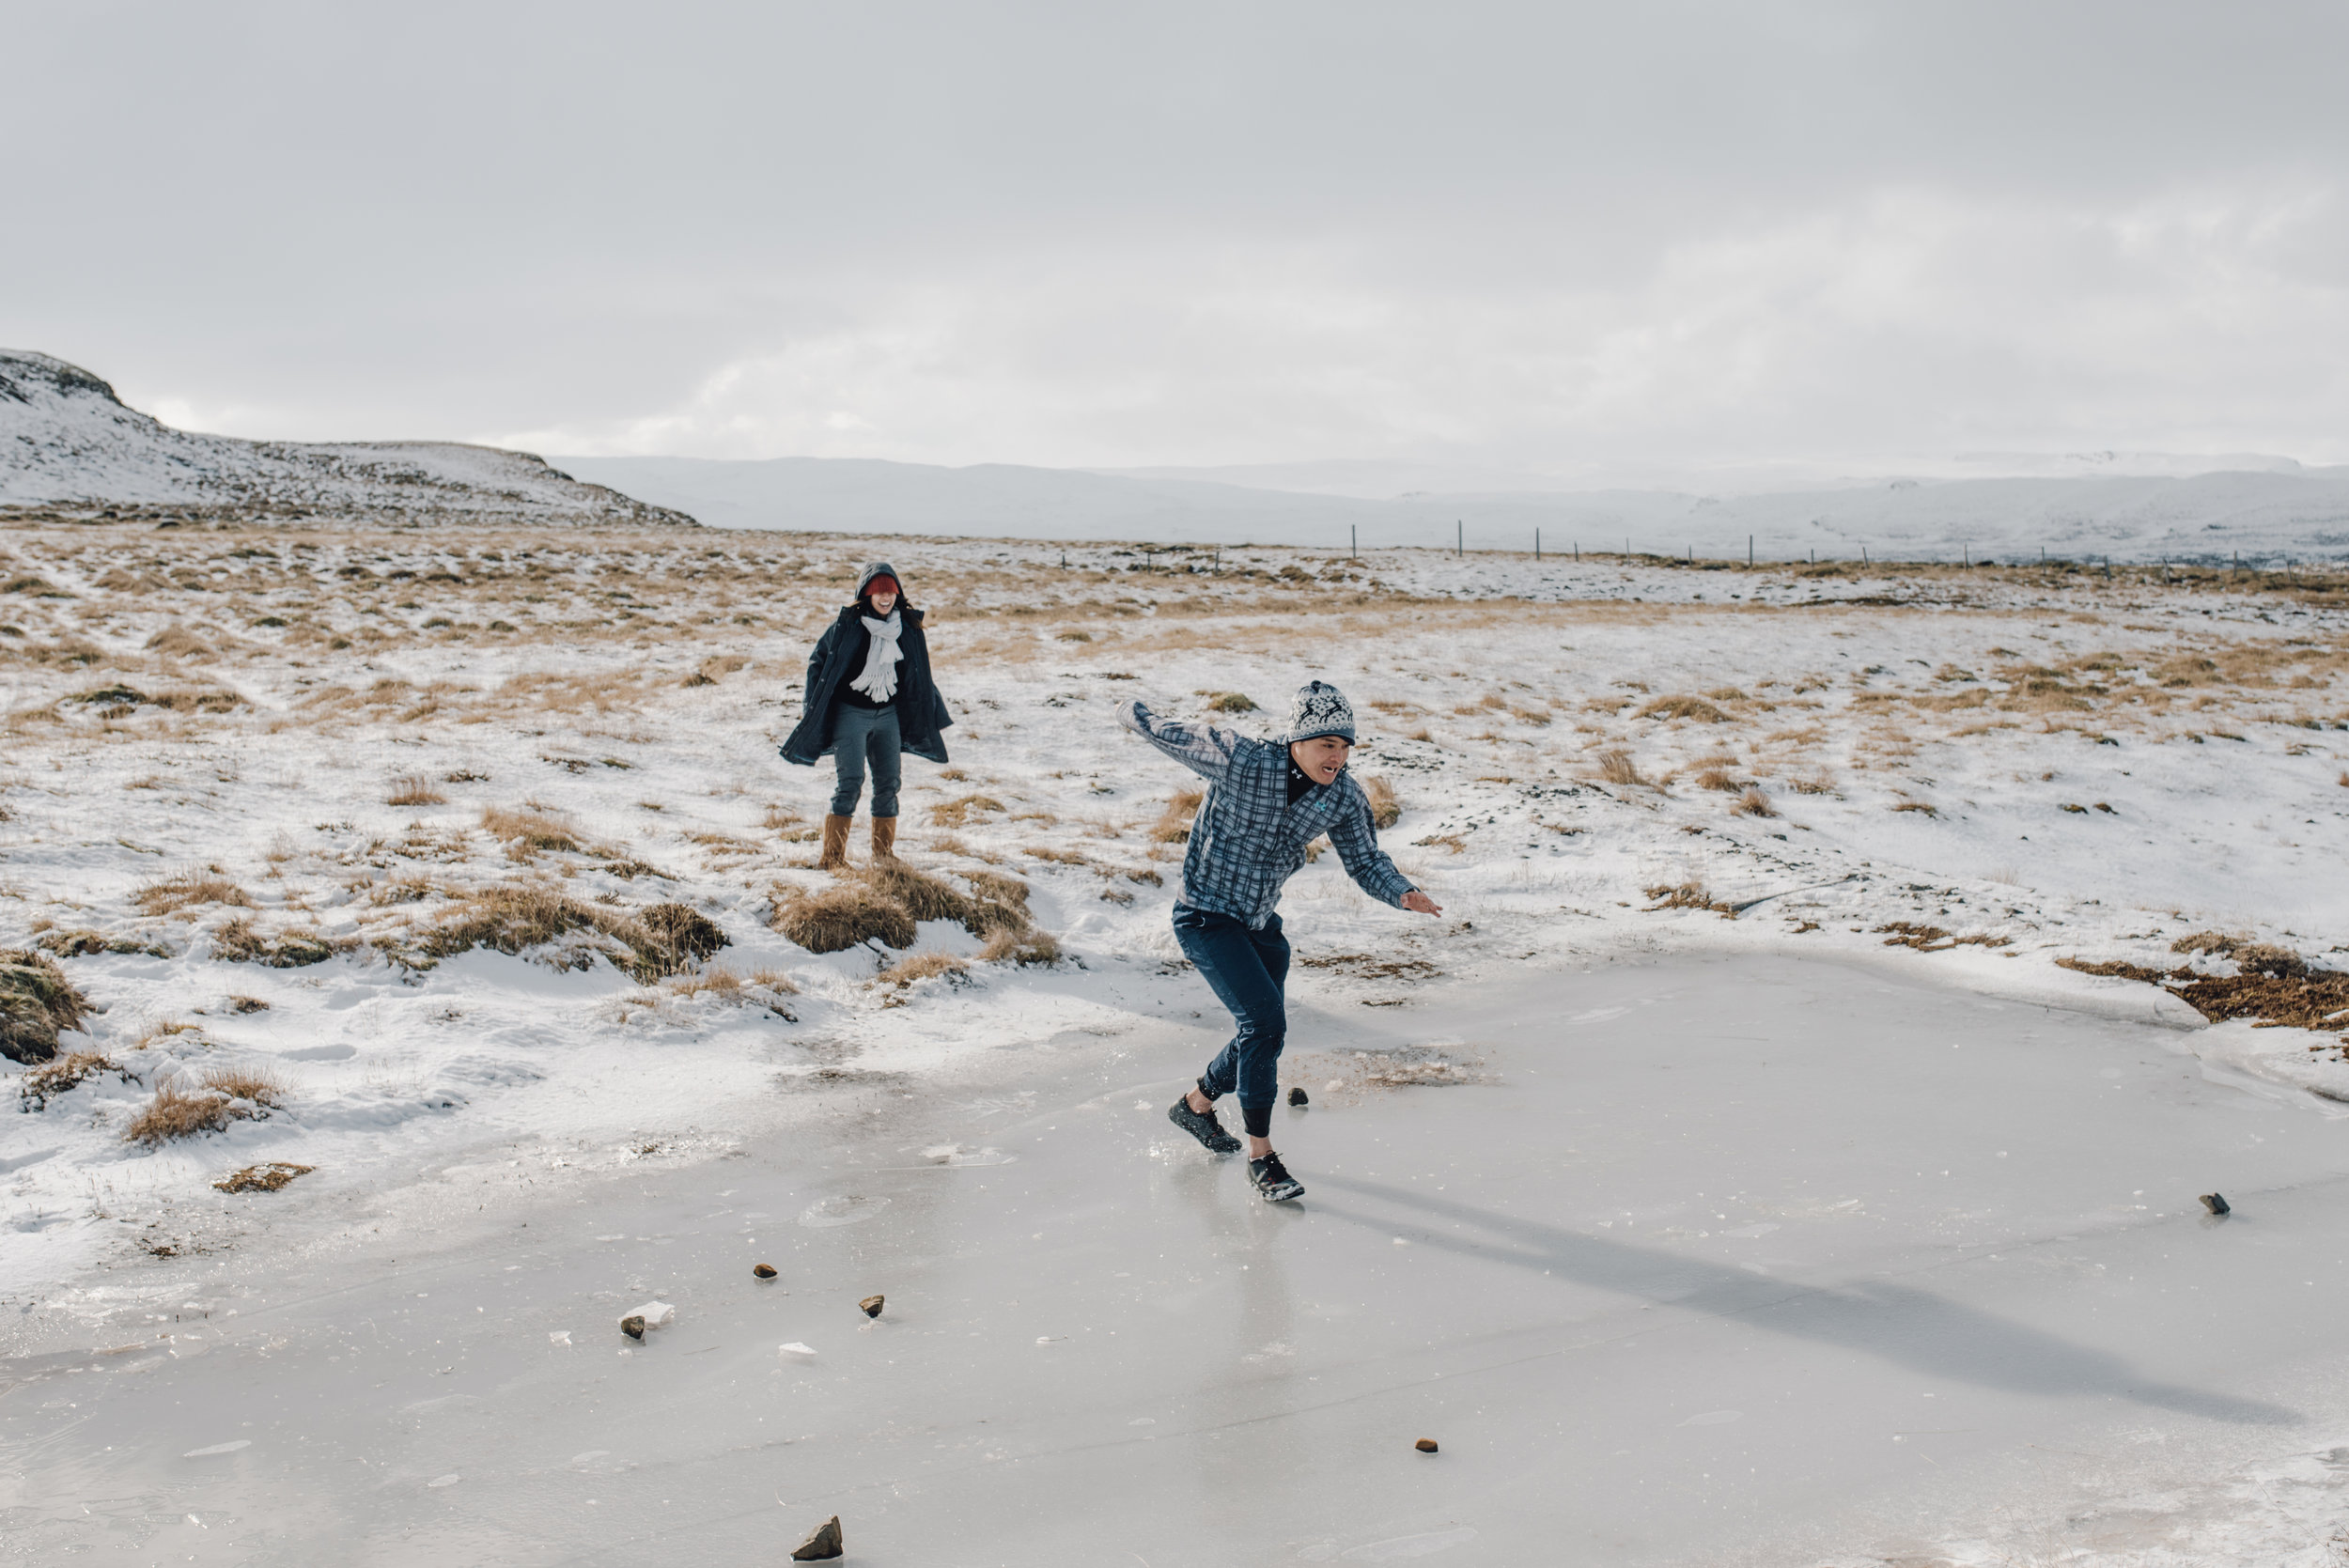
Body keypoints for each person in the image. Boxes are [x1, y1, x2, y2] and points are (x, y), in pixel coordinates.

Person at [1121, 679, 1441, 1202]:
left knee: (1262, 1031)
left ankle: (1196, 1105)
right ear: (1298, 740)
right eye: (1327, 745)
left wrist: (1403, 892)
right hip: (1205, 917)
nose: (1337, 758)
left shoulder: (1343, 796)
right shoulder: (1244, 761)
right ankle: (1262, 1156)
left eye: (1344, 747)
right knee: (1265, 1025)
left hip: (1260, 925)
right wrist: (1128, 711)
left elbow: (1364, 861)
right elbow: (1173, 734)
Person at [779, 562, 954, 870]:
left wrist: (930, 704)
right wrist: (813, 705)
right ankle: (832, 860)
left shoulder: (908, 628)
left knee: (889, 783)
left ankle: (883, 856)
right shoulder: (847, 627)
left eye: (890, 592)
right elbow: (817, 662)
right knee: (850, 782)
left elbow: (917, 671)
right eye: (877, 592)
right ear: (866, 594)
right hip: (851, 715)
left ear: (897, 594)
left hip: (888, 715)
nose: (884, 598)